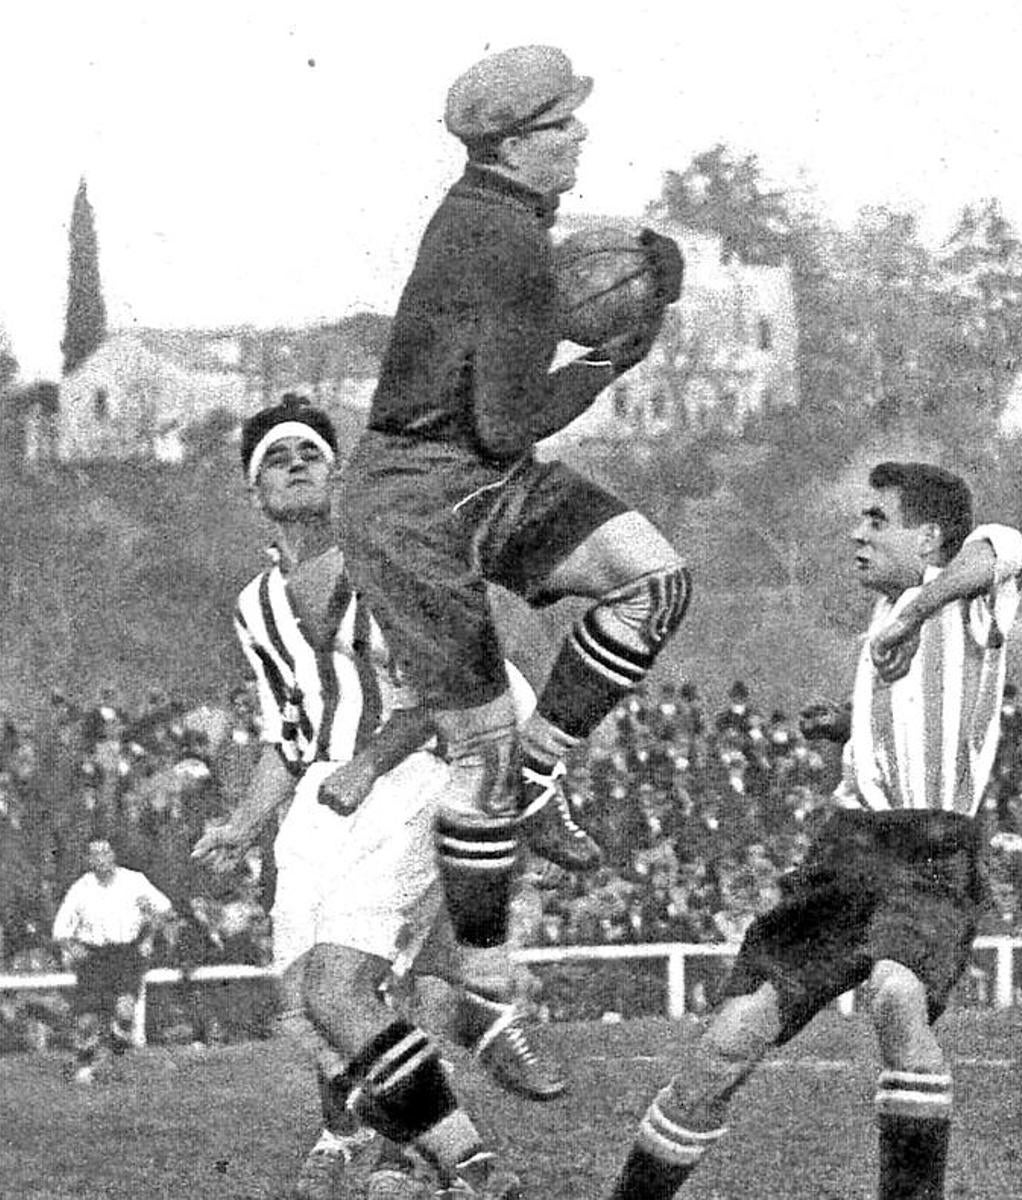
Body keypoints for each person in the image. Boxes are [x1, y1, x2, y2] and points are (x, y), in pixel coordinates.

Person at [335, 45, 689, 1012]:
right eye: (563, 123)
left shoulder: (495, 219)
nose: (581, 134)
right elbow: (504, 421)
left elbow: (497, 411)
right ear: (517, 144)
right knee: (476, 755)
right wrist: (612, 359)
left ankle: (540, 774)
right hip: (417, 502)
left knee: (650, 578)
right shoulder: (503, 243)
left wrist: (618, 292)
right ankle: (485, 965)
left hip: (463, 478)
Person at [603, 462, 1022, 1200]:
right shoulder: (885, 618)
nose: (857, 532)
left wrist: (915, 610)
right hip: (845, 854)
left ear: (928, 536)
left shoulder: (970, 596)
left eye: (876, 519)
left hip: (929, 852)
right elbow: (902, 719)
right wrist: (846, 725)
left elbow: (1002, 545)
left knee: (896, 995)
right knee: (727, 1042)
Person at [193, 396, 559, 1200]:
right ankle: (385, 1131)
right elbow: (286, 730)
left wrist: (370, 762)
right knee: (305, 1005)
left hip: (412, 774)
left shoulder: (388, 562)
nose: (296, 462)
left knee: (346, 987)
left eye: (312, 453)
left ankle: (436, 1151)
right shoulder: (255, 604)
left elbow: (455, 682)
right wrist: (248, 821)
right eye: (277, 458)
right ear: (256, 492)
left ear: (340, 476)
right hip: (322, 801)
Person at [51, 838, 175, 1084]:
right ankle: (85, 1064)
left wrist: (149, 935)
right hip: (94, 956)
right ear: (88, 859)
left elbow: (165, 909)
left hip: (126, 953)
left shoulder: (134, 881)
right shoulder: (81, 888)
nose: (101, 859)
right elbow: (60, 930)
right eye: (95, 854)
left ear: (114, 855)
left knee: (125, 1010)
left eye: (105, 852)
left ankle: (113, 1055)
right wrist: (74, 948)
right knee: (87, 1020)